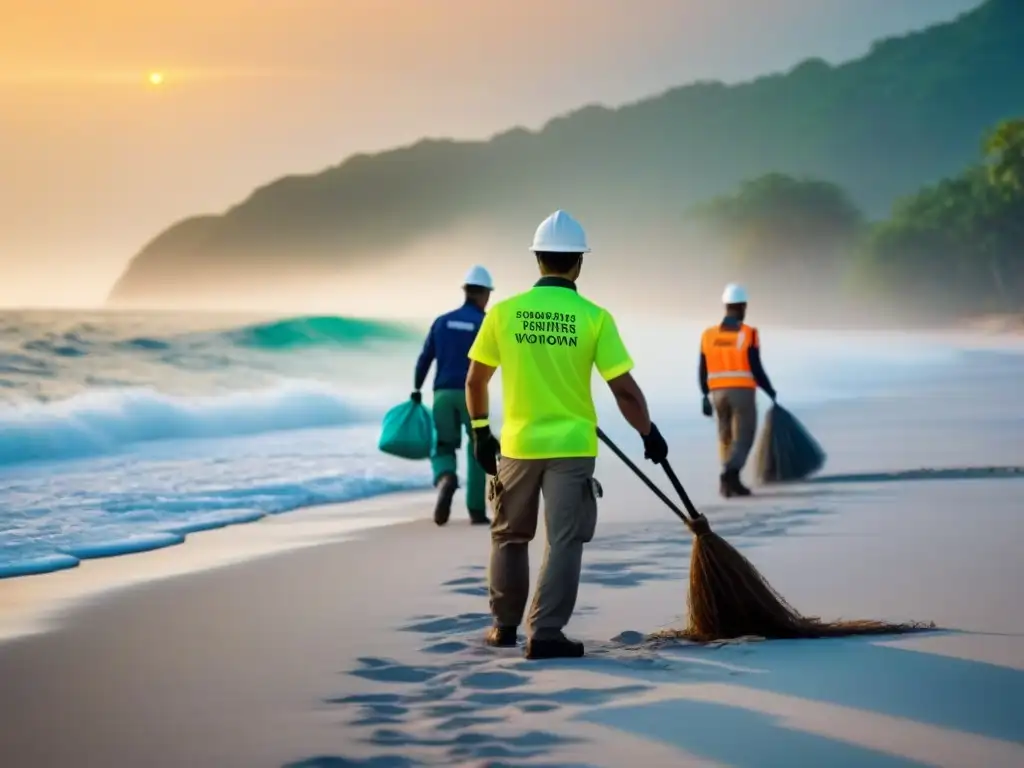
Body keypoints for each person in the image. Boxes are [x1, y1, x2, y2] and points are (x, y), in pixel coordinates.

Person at [465, 210, 668, 660]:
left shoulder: (503, 313)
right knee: (565, 540)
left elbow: (475, 380)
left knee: (509, 536)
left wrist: (481, 432)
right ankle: (547, 632)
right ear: (579, 263)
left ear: (537, 258)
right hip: (573, 447)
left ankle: (504, 628)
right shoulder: (594, 318)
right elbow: (626, 391)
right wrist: (648, 433)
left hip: (517, 445)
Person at [412, 265, 494, 526]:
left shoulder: (442, 321)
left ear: (466, 291)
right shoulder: (484, 323)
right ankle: (476, 511)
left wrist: (416, 389)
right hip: (472, 394)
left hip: (442, 394)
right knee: (477, 446)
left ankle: (446, 477)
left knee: (443, 446)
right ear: (484, 295)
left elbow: (424, 359)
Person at [698, 283, 777, 498]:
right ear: (742, 306)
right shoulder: (748, 334)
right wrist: (770, 390)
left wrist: (704, 395)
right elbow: (755, 367)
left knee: (725, 436)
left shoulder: (708, 335)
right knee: (744, 437)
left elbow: (702, 368)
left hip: (717, 394)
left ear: (725, 306)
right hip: (742, 393)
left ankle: (730, 482)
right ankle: (729, 475)